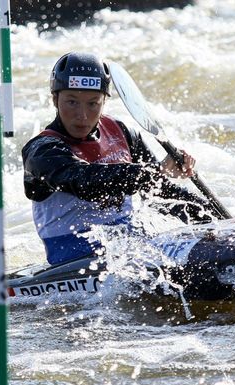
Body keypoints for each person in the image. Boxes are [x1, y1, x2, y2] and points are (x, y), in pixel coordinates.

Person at [22, 52, 213, 265]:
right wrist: (156, 171)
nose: (82, 115)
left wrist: (210, 221)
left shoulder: (121, 132)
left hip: (131, 242)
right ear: (55, 99)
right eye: (72, 102)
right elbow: (86, 183)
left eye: (93, 103)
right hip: (75, 256)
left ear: (104, 102)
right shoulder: (41, 151)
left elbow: (159, 191)